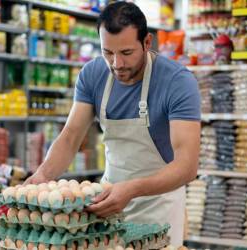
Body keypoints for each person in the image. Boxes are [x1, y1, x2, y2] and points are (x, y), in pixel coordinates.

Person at [25, 1, 201, 246]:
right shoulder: (93, 74)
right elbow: (70, 137)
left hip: (159, 208)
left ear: (147, 42)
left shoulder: (178, 82)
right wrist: (43, 175)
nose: (117, 64)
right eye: (108, 52)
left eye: (126, 53)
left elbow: (187, 166)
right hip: (108, 203)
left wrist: (131, 190)